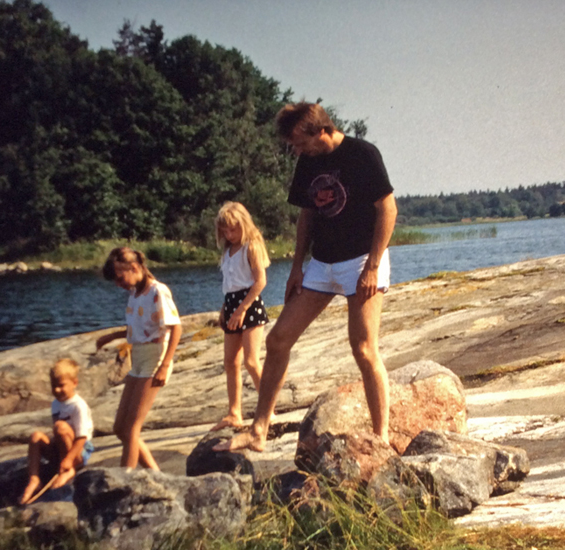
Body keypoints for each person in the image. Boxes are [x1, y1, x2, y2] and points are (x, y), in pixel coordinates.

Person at [214, 101, 397, 453]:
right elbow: (307, 216)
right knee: (278, 340)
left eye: (300, 143)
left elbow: (387, 209)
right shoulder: (307, 162)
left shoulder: (363, 154)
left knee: (363, 348)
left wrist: (373, 266)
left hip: (361, 260)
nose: (297, 151)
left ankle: (382, 438)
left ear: (322, 131)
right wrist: (297, 266)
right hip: (321, 263)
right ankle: (258, 431)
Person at [96, 247, 182, 469]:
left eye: (120, 278)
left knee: (132, 429)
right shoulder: (135, 294)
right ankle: (154, 473)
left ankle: (125, 478)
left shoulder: (158, 291)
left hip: (155, 358)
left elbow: (176, 328)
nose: (118, 284)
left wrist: (165, 365)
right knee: (120, 429)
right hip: (138, 358)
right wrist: (111, 336)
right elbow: (139, 327)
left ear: (134, 268)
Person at [211, 201, 271, 431]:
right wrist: (225, 309)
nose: (229, 234)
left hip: (249, 304)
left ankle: (268, 410)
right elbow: (230, 284)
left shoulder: (251, 246)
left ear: (244, 224)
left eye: (233, 229)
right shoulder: (228, 251)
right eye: (225, 230)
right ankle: (234, 412)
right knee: (230, 361)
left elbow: (260, 281)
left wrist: (241, 310)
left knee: (251, 361)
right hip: (231, 304)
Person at [19, 358, 95, 504]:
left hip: (78, 451)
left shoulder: (78, 406)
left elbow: (82, 438)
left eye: (61, 385)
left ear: (74, 383)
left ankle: (69, 470)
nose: (57, 390)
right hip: (61, 450)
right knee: (36, 436)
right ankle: (34, 479)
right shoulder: (56, 404)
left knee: (60, 427)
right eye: (53, 386)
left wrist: (68, 460)